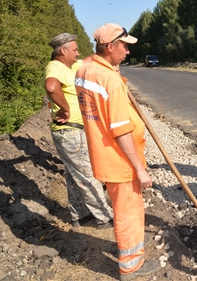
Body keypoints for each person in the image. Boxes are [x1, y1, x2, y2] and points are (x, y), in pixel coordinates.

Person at [74, 23, 160, 280]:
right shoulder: (109, 79)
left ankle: (126, 250)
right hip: (119, 158)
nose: (128, 51)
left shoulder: (85, 69)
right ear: (109, 47)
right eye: (124, 46)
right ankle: (131, 265)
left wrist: (112, 66)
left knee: (122, 208)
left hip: (103, 154)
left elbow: (92, 63)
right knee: (129, 212)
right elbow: (121, 130)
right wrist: (139, 169)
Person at [44, 33, 114, 230]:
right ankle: (105, 218)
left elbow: (89, 59)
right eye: (74, 49)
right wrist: (65, 108)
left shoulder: (70, 66)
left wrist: (106, 43)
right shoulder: (55, 67)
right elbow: (51, 86)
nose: (77, 52)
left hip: (72, 131)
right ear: (63, 51)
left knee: (73, 175)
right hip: (69, 132)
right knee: (87, 175)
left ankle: (80, 215)